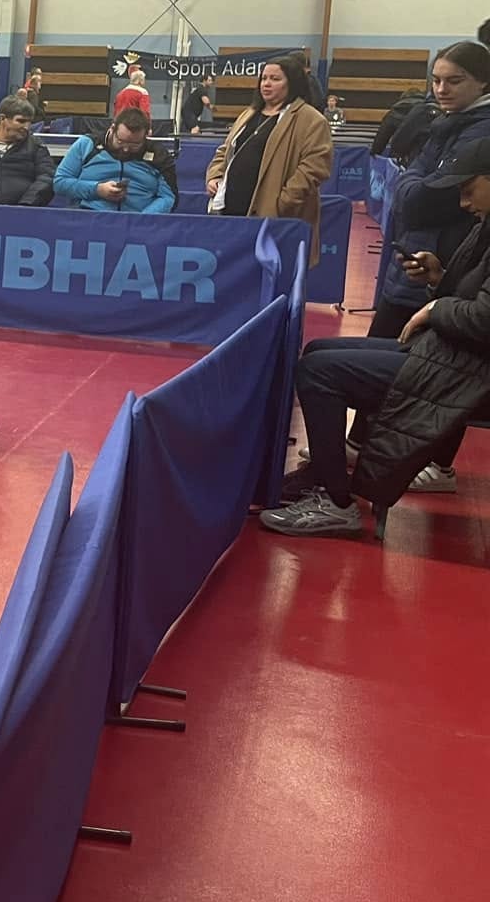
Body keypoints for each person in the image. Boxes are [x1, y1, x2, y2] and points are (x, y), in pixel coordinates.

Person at [261, 138, 490, 536]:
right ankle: (324, 473)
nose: (463, 201)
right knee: (317, 350)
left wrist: (436, 308)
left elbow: (484, 319)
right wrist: (438, 278)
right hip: (450, 354)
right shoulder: (484, 226)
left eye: (469, 188)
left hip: (470, 374)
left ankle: (337, 504)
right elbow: (470, 298)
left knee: (319, 373)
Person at [371, 41, 490, 340]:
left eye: (454, 81)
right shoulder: (445, 121)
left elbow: (419, 201)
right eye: (436, 80)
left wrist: (412, 183)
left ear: (483, 81)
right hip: (419, 267)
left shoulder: (481, 132)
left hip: (443, 272)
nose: (441, 89)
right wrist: (413, 183)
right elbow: (412, 183)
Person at [205, 55, 334, 260]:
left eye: (275, 79)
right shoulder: (249, 114)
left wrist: (282, 203)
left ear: (292, 83)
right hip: (231, 211)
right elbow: (225, 150)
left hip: (275, 219)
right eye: (264, 78)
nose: (266, 84)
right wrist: (215, 175)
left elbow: (314, 168)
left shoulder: (311, 120)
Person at [55, 110, 177, 214]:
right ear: (112, 129)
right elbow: (60, 182)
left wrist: (142, 219)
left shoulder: (159, 154)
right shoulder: (87, 144)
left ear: (147, 135)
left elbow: (168, 197)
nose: (126, 149)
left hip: (139, 221)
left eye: (134, 145)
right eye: (120, 141)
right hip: (88, 215)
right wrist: (97, 190)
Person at [373, 83, 437, 164]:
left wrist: (374, 153)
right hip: (424, 153)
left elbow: (382, 136)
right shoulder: (426, 110)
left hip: (402, 155)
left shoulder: (394, 112)